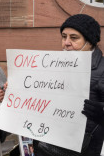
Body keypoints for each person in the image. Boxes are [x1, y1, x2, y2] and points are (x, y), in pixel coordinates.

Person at [33, 14, 104, 156]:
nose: (66, 42)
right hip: (47, 147)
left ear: (90, 41)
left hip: (85, 149)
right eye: (64, 36)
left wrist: (102, 113)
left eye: (74, 38)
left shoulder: (102, 69)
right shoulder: (50, 65)